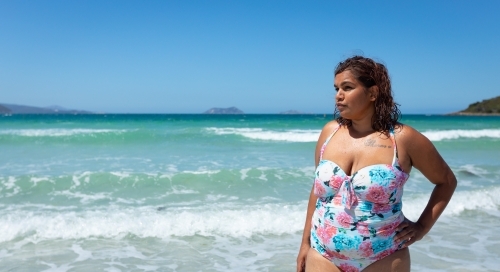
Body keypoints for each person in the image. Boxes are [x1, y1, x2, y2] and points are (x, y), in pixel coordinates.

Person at [296, 56, 457, 272]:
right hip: (323, 254)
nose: (338, 96)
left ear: (373, 93)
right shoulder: (329, 133)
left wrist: (421, 227)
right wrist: (304, 244)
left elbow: (446, 181)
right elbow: (317, 192)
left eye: (347, 87)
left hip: (384, 256)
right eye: (336, 89)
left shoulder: (402, 139)